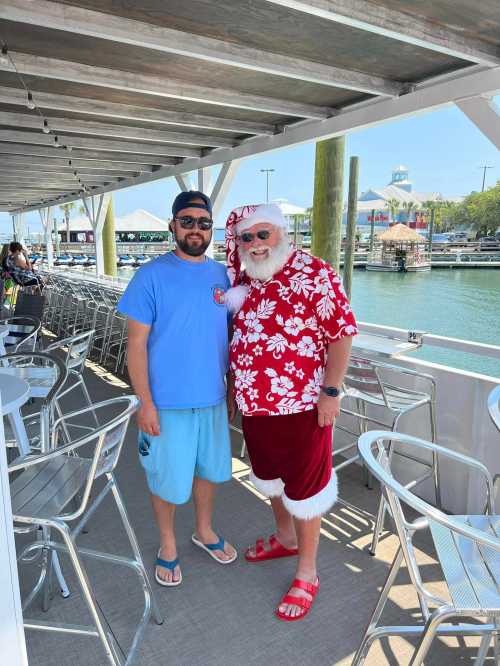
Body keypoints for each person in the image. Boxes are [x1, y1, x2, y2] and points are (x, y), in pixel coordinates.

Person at [225, 203, 357, 621]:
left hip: (303, 406)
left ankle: (307, 571)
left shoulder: (314, 273)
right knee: (270, 477)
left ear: (282, 233)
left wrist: (331, 391)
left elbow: (341, 334)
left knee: (305, 487)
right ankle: (285, 537)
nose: (255, 244)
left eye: (263, 234)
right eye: (247, 237)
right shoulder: (246, 280)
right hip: (256, 406)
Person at [118, 190, 237, 588]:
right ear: (172, 225)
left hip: (212, 398)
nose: (195, 229)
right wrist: (145, 402)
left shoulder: (223, 276)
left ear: (211, 230)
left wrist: (233, 390)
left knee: (208, 472)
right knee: (165, 478)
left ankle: (204, 531)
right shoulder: (150, 275)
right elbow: (135, 344)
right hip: (165, 403)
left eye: (203, 223)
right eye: (187, 221)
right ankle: (167, 544)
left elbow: (235, 334)